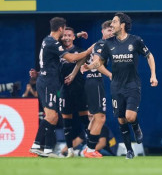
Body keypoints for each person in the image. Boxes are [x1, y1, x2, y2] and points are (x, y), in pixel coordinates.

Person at [83, 12, 158, 159]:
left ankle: (136, 127)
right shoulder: (108, 43)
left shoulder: (135, 40)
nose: (112, 25)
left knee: (130, 117)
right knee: (121, 120)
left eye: (114, 22)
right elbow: (100, 62)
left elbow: (149, 55)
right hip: (116, 86)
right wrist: (90, 65)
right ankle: (129, 151)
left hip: (132, 84)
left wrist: (153, 75)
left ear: (122, 25)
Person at [29, 17, 93, 158]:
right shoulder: (52, 43)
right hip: (48, 82)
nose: (65, 34)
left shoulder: (48, 40)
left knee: (54, 117)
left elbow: (63, 41)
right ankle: (36, 145)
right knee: (51, 116)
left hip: (48, 81)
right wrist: (88, 51)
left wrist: (77, 35)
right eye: (64, 30)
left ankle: (46, 149)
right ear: (60, 29)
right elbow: (71, 58)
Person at [80, 20, 113, 158]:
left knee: (94, 117)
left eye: (113, 30)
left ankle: (87, 149)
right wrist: (111, 75)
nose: (111, 32)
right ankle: (90, 149)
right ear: (103, 31)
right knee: (100, 117)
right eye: (108, 30)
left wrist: (81, 68)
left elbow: (86, 59)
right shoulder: (102, 44)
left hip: (92, 82)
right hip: (94, 82)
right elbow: (97, 64)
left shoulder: (102, 44)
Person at [58, 27, 90, 158]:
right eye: (64, 35)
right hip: (64, 91)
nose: (66, 37)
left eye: (69, 35)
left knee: (85, 120)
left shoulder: (80, 51)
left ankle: (89, 148)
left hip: (80, 90)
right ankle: (70, 151)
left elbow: (87, 64)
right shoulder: (57, 51)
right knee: (67, 123)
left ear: (73, 37)